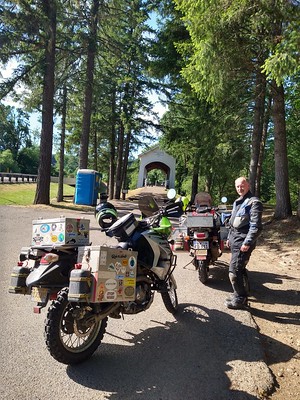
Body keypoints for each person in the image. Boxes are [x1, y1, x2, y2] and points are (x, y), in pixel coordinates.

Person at [225, 177, 263, 309]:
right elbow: (232, 224)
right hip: (235, 240)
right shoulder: (238, 201)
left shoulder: (254, 202)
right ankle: (238, 294)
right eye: (237, 187)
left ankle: (241, 298)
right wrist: (229, 238)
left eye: (242, 186)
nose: (239, 189)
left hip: (243, 241)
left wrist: (247, 242)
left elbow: (256, 226)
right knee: (238, 267)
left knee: (234, 270)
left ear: (248, 185)